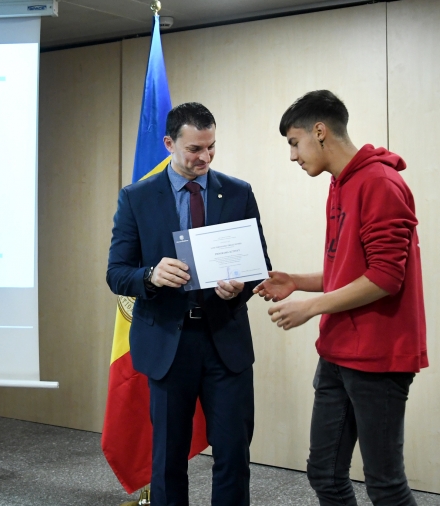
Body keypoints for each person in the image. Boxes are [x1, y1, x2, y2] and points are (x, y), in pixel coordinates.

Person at [254, 90, 427, 506]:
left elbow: (385, 277)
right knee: (325, 474)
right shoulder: (340, 182)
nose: (293, 156)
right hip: (337, 352)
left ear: (320, 131)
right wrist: (296, 280)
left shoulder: (380, 183)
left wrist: (309, 307)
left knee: (384, 484)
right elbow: (349, 272)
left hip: (378, 357)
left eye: (294, 143)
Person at [107, 102, 271, 506]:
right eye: (195, 149)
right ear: (169, 144)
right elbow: (116, 272)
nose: (205, 157)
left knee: (233, 454)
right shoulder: (137, 198)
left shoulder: (237, 192)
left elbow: (259, 264)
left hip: (225, 342)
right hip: (167, 343)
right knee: (167, 460)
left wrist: (241, 287)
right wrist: (150, 276)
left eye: (211, 147)